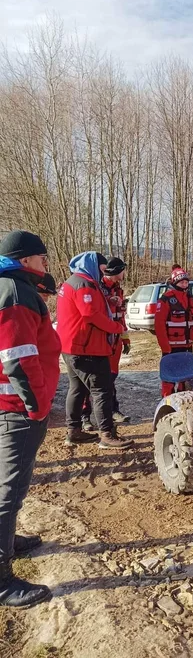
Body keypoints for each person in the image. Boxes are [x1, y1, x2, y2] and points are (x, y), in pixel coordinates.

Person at [0, 230, 61, 607]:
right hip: (17, 410)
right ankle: (2, 580)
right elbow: (20, 357)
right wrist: (37, 406)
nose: (45, 265)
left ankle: (9, 540)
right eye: (41, 259)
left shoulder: (11, 287)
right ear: (25, 260)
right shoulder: (17, 292)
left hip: (10, 405)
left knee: (8, 484)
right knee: (9, 490)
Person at [56, 252, 133, 450]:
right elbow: (90, 314)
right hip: (86, 348)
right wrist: (116, 327)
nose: (104, 270)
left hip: (72, 347)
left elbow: (91, 308)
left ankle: (74, 431)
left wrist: (110, 303)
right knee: (102, 390)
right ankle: (107, 435)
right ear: (93, 265)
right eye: (102, 266)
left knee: (78, 388)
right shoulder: (84, 285)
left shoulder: (75, 282)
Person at [81, 257, 130, 429]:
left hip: (114, 341)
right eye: (123, 270)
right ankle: (85, 416)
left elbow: (121, 316)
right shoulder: (97, 288)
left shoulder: (118, 289)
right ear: (116, 271)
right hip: (100, 340)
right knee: (92, 380)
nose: (125, 273)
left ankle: (113, 410)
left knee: (111, 377)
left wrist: (125, 338)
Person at [155, 266, 193, 396]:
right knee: (169, 375)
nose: (185, 285)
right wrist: (165, 346)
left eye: (186, 282)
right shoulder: (166, 299)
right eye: (182, 282)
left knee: (185, 374)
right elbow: (159, 325)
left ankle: (183, 395)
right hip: (171, 346)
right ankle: (167, 398)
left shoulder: (190, 298)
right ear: (175, 282)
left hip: (187, 345)